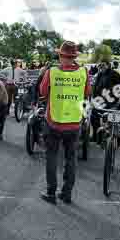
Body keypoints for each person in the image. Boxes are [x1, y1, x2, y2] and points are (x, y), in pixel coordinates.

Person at [38, 41, 91, 205]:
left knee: (52, 156)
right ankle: (66, 193)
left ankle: (51, 193)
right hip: (74, 122)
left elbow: (42, 91)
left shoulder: (52, 72)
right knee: (71, 158)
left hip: (53, 121)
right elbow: (88, 92)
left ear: (61, 56)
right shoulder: (83, 72)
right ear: (74, 57)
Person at [91, 60, 120, 142]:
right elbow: (95, 87)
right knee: (94, 118)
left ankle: (111, 137)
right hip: (99, 102)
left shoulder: (114, 74)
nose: (100, 66)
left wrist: (117, 101)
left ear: (108, 65)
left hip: (111, 102)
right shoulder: (99, 74)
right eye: (99, 64)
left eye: (103, 64)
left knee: (110, 121)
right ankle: (96, 136)